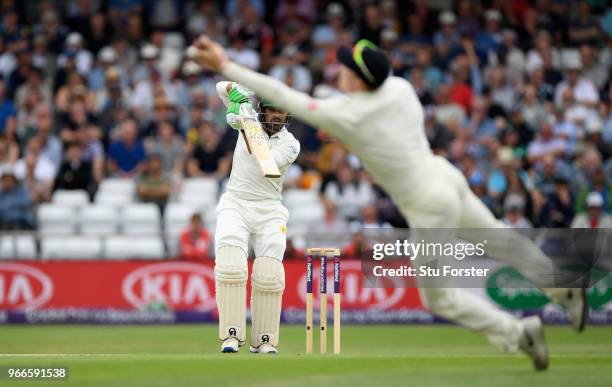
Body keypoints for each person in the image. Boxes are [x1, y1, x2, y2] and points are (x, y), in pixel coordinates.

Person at [189, 36, 588, 369]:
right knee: (497, 238)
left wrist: (226, 65)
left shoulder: (349, 115)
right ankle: (562, 285)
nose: (339, 73)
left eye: (345, 69)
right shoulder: (400, 89)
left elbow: (282, 96)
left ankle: (518, 334)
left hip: (428, 203)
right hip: (447, 177)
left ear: (359, 79)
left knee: (440, 297)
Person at [213, 81, 299, 354]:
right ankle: (230, 335)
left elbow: (267, 164)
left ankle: (264, 340)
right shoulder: (249, 116)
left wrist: (245, 121)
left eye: (281, 113)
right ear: (264, 111)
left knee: (268, 275)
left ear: (287, 116)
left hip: (270, 209)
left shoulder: (291, 144)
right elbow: (220, 87)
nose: (275, 116)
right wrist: (241, 96)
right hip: (235, 202)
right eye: (271, 111)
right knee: (230, 266)